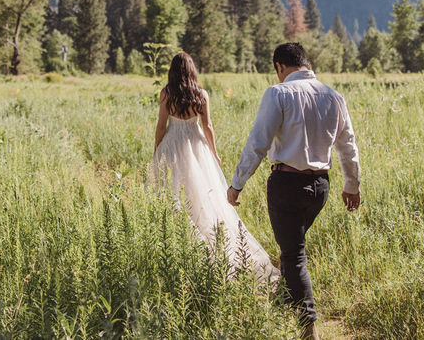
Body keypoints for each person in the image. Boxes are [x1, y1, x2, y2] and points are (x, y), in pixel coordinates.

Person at [227, 42, 361, 340]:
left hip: (287, 184)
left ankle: (308, 326)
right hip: (320, 188)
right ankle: (282, 305)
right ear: (306, 62)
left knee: (293, 255)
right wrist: (351, 185)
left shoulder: (279, 93)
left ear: (280, 67)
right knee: (293, 248)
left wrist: (237, 183)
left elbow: (258, 141)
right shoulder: (333, 96)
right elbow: (348, 146)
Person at [150, 52, 278, 281]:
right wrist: (214, 153)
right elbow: (207, 126)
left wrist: (157, 148)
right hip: (196, 144)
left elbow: (161, 125)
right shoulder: (201, 94)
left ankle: (186, 245)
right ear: (192, 71)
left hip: (173, 144)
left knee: (176, 195)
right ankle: (213, 244)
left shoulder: (166, 94)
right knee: (203, 195)